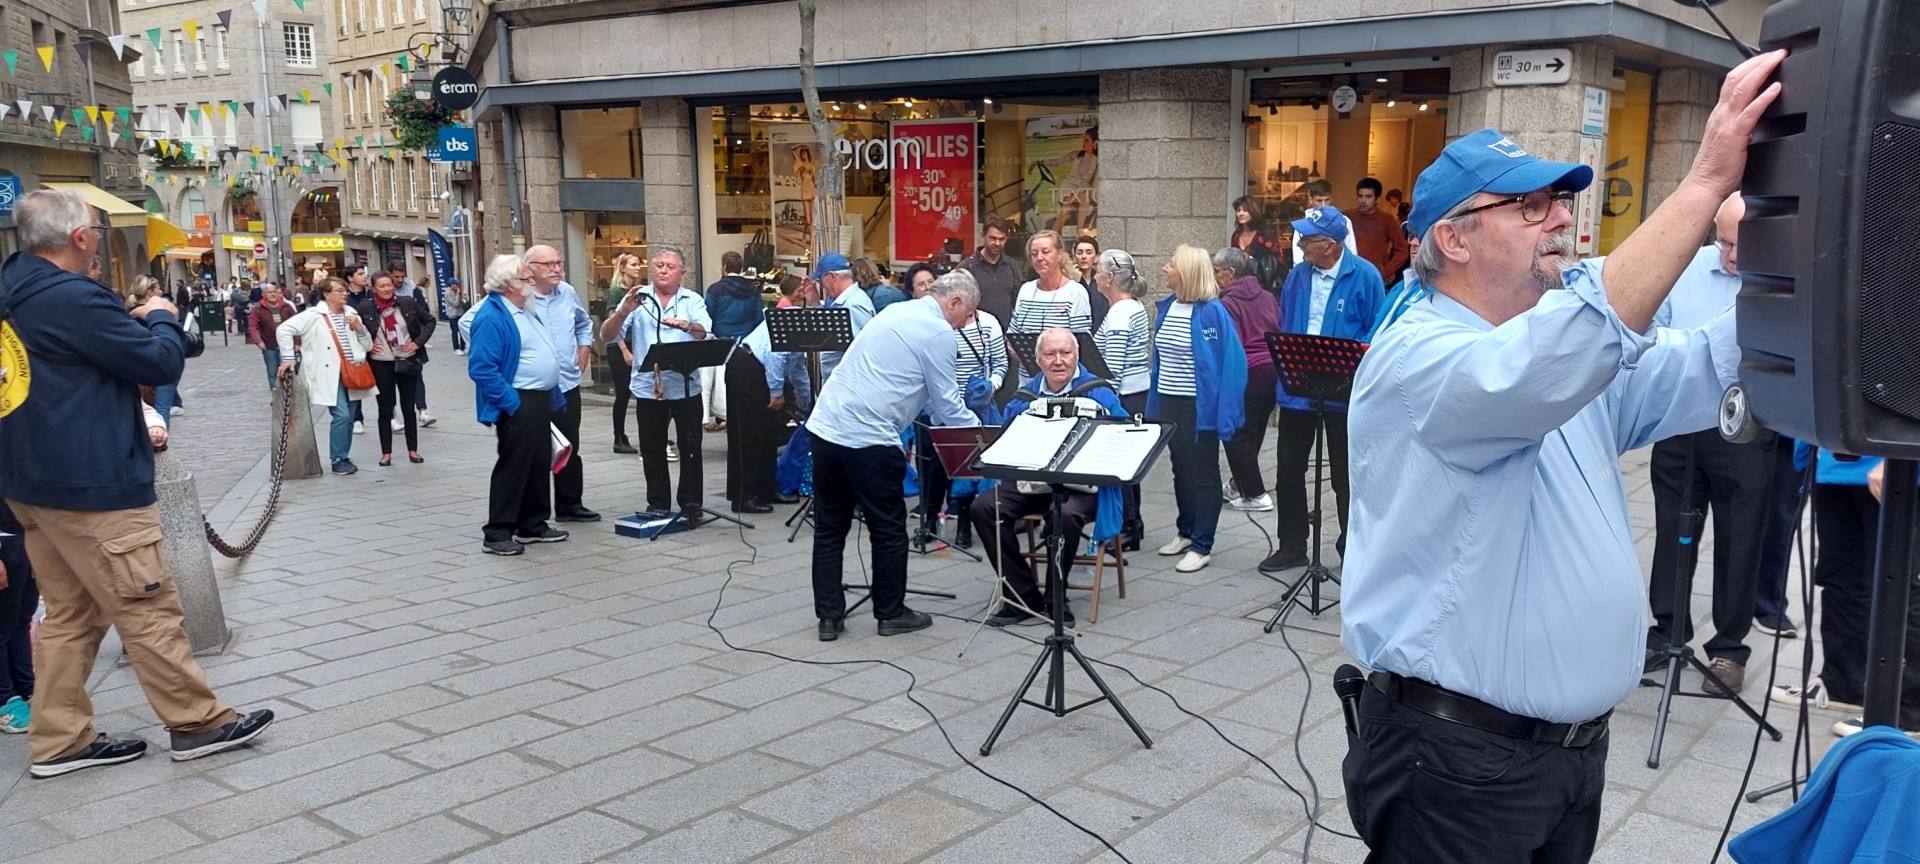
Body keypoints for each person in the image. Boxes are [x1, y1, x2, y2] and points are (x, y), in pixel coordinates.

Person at [1337, 50, 1782, 863]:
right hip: (1458, 765)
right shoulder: (1420, 359)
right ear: (1454, 240)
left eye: (1563, 201)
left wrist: (1798, 262)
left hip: (1565, 756)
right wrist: (1703, 184)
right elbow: (1572, 341)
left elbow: (1699, 366)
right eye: (1532, 204)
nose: (1561, 219)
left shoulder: (1551, 357)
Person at [0, 189, 274, 778]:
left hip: (32, 482)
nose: (101, 237)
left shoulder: (12, 286)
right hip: (92, 482)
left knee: (71, 616)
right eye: (98, 228)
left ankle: (59, 739)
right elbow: (158, 363)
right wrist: (163, 321)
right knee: (147, 605)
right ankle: (198, 723)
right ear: (78, 238)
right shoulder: (73, 297)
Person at [1642, 193, 1777, 693]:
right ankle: (1667, 630)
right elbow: (1656, 330)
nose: (1729, 254)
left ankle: (1728, 650)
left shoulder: (1782, 277)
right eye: (1721, 241)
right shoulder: (1688, 269)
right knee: (1672, 528)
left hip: (1747, 424)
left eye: (1740, 244)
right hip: (1679, 421)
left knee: (1741, 536)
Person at [810, 270, 982, 642]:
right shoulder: (937, 332)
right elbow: (948, 406)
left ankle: (828, 617)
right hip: (869, 437)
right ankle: (890, 612)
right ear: (953, 302)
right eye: (966, 315)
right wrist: (982, 436)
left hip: (826, 426)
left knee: (829, 527)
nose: (964, 324)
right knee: (888, 528)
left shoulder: (894, 312)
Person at [969, 328, 1125, 627]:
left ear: (1076, 355)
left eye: (1065, 353)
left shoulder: (1098, 393)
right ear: (1037, 360)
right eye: (1050, 354)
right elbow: (1004, 442)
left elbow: (1123, 439)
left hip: (1084, 488)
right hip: (1032, 483)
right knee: (984, 507)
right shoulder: (1025, 397)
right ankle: (1022, 596)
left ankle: (1056, 598)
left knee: (1063, 514)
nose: (1058, 361)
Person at [1260, 205, 1383, 572]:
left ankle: (1352, 550)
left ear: (1330, 245)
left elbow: (1376, 330)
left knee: (1346, 476)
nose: (1300, 244)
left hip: (1343, 390)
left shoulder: (1366, 276)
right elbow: (1286, 318)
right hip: (1299, 387)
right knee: (1289, 469)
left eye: (1307, 239)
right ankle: (1293, 545)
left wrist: (1350, 361)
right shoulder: (1298, 275)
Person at [1772, 452, 1920, 738]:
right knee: (1842, 578)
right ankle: (1845, 684)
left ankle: (1910, 710)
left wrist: (1903, 457)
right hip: (1837, 459)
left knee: (1904, 587)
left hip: (1898, 462)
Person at [1148, 243, 1246, 574]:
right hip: (1169, 401)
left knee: (1204, 474)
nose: (1164, 268)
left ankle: (1203, 545)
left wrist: (1226, 414)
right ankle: (1186, 531)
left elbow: (1232, 365)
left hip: (1198, 406)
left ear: (1186, 273)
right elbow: (1160, 364)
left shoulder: (1213, 312)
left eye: (1171, 264)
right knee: (1180, 469)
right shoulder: (1167, 307)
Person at [467, 254, 571, 556]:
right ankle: (498, 530)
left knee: (539, 462)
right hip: (518, 399)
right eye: (526, 279)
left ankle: (532, 523)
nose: (531, 283)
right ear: (508, 283)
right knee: (513, 466)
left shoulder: (523, 307)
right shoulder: (491, 316)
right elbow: (482, 368)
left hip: (538, 398)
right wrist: (511, 403)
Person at [601, 245, 712, 518]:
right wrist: (622, 312)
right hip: (649, 387)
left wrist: (686, 325)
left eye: (669, 266)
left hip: (686, 386)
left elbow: (706, 333)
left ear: (682, 273)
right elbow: (606, 335)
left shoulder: (692, 299)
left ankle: (690, 503)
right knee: (652, 449)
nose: (663, 270)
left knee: (690, 447)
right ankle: (658, 503)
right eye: (658, 265)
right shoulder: (637, 299)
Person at [922, 269, 1008, 549]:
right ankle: (930, 521)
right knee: (935, 468)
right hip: (940, 406)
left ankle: (963, 525)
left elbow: (1001, 365)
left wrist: (991, 386)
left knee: (970, 469)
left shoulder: (989, 324)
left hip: (977, 407)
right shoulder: (938, 325)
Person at [277, 277, 377, 474]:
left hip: (353, 371)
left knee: (348, 418)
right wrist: (288, 357)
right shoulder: (313, 315)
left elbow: (368, 346)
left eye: (345, 290)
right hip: (329, 373)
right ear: (327, 294)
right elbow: (284, 329)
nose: (345, 293)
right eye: (339, 290)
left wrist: (359, 327)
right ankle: (338, 458)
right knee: (342, 415)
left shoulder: (352, 313)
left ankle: (344, 456)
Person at [1214, 246, 1283, 514]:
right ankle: (1237, 484)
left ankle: (1255, 494)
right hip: (1272, 371)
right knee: (1253, 430)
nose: (1215, 275)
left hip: (1249, 371)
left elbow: (1232, 344)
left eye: (1217, 271)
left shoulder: (1227, 303)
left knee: (1235, 434)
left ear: (1231, 273)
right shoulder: (1266, 296)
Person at [1092, 248, 1152, 550]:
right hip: (1136, 393)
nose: (1094, 277)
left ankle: (1128, 526)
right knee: (1129, 463)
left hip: (1124, 396)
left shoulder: (1119, 314)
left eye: (1097, 272)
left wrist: (1105, 401)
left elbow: (1112, 368)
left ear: (1110, 277)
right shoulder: (1133, 307)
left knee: (1121, 463)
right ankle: (1132, 524)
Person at [352, 273, 434, 467]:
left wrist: (417, 343)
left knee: (408, 408)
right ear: (373, 289)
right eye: (382, 286)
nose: (387, 289)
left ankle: (412, 450)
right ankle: (386, 452)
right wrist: (369, 344)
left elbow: (429, 321)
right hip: (382, 362)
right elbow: (355, 330)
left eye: (389, 285)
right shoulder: (366, 307)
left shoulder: (406, 303)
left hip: (407, 360)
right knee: (385, 409)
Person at [707, 253, 765, 433]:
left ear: (724, 267)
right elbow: (758, 319)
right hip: (745, 344)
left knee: (720, 387)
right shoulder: (752, 289)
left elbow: (707, 316)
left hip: (721, 343)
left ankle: (722, 417)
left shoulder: (715, 289)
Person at [1007, 231, 1093, 334]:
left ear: (1060, 255)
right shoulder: (1026, 290)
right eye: (1034, 254)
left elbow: (1081, 339)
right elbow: (1013, 332)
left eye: (1045, 252)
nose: (1039, 258)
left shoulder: (1075, 292)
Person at [807, 252, 876, 381]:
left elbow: (863, 352)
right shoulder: (845, 302)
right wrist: (816, 304)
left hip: (847, 386)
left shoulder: (853, 306)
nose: (822, 286)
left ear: (832, 276)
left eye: (821, 281)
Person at [0, 502, 36, 735]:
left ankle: (26, 689)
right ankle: (5, 701)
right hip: (5, 540)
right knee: (2, 627)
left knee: (21, 620)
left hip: (24, 533)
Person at [606, 253, 645, 453]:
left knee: (639, 390)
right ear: (623, 268)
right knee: (623, 392)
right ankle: (618, 436)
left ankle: (648, 434)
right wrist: (624, 351)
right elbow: (614, 324)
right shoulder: (616, 291)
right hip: (619, 346)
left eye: (639, 264)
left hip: (634, 343)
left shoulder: (638, 291)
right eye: (634, 264)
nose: (638, 267)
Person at [1031, 126, 1098, 236]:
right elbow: (1058, 161)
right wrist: (1039, 162)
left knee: (1080, 201)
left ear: (1095, 143)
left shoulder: (1097, 160)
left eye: (1087, 140)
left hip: (1081, 192)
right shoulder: (1077, 155)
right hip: (1068, 188)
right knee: (1067, 209)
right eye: (1083, 140)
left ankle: (1076, 232)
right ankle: (1057, 235)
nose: (1084, 143)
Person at [960, 215, 1021, 325]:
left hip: (1005, 334)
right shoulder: (967, 267)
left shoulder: (1011, 266)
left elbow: (1016, 302)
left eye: (1001, 239)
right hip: (976, 334)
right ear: (983, 236)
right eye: (992, 238)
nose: (997, 243)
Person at [1350, 177, 1410, 285]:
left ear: (1377, 199)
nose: (1363, 201)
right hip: (1348, 275)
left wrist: (1386, 272)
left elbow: (1402, 249)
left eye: (1368, 197)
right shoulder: (1347, 217)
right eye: (1360, 196)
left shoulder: (1386, 219)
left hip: (1373, 278)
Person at [1290, 179, 1358, 268]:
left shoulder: (1343, 221)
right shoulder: (1303, 225)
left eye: (1327, 200)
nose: (1323, 205)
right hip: (1310, 272)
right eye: (1319, 200)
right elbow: (1298, 258)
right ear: (1310, 200)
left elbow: (1352, 251)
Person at [340, 263, 373, 433]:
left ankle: (391, 414)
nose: (365, 276)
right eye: (360, 274)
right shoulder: (346, 299)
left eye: (365, 273)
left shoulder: (371, 293)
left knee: (381, 381)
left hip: (372, 342)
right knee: (356, 381)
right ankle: (357, 419)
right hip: (355, 346)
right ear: (350, 278)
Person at [248, 282, 297, 390]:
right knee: (272, 372)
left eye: (274, 292)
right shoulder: (258, 308)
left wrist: (298, 342)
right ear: (263, 294)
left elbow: (297, 324)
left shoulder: (286, 306)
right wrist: (258, 341)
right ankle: (276, 396)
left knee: (290, 371)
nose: (272, 294)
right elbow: (252, 326)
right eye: (269, 292)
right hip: (269, 345)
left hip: (287, 345)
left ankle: (290, 395)